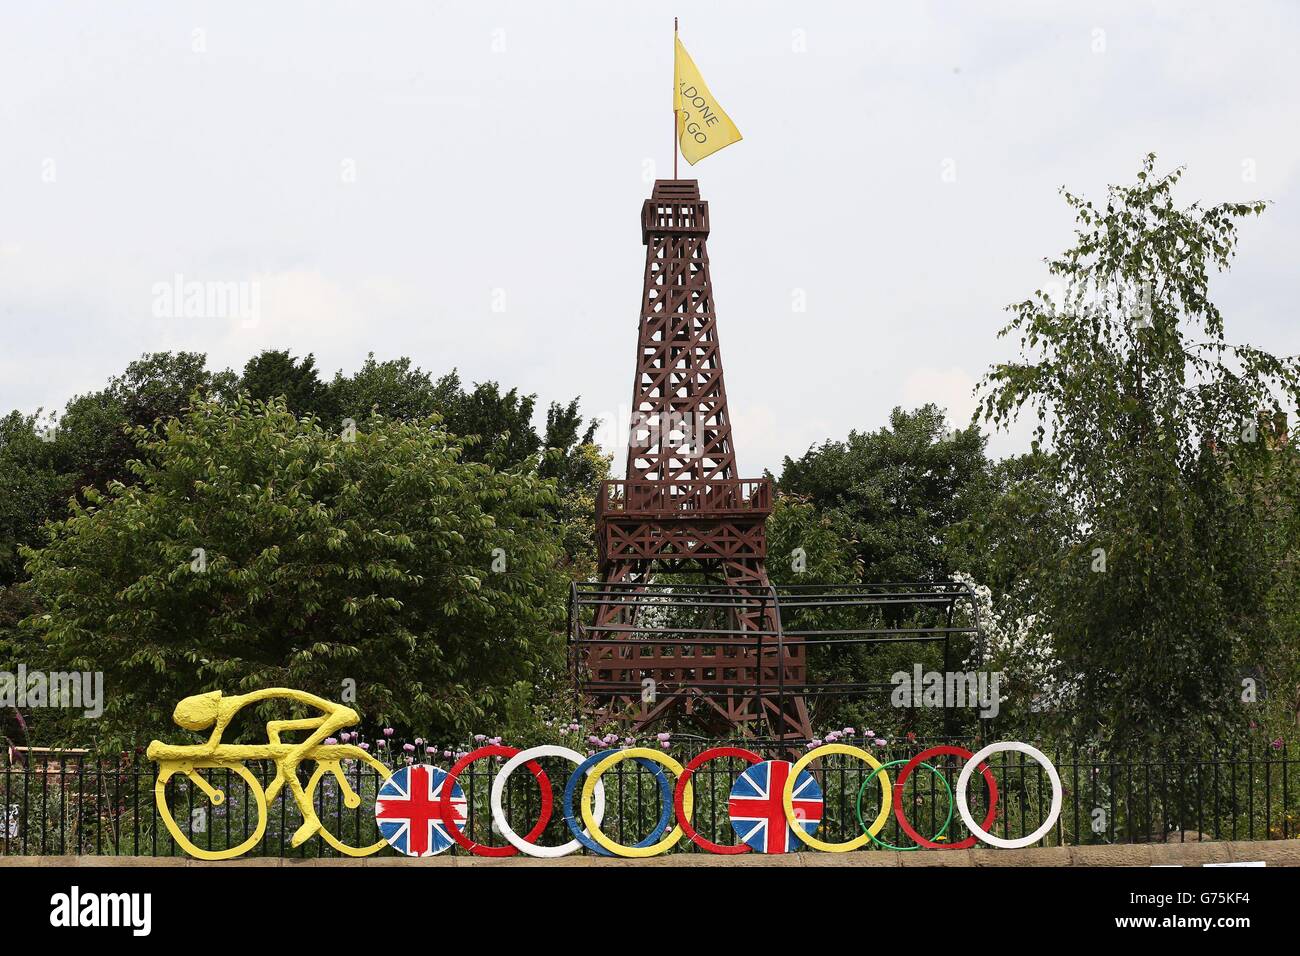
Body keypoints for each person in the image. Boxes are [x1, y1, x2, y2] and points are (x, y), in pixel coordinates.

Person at [166, 688, 359, 846]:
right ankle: (277, 782)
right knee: (273, 727)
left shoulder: (226, 708)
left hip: (340, 716)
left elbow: (209, 749)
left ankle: (310, 819)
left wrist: (167, 750)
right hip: (331, 715)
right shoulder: (230, 703)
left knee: (291, 761)